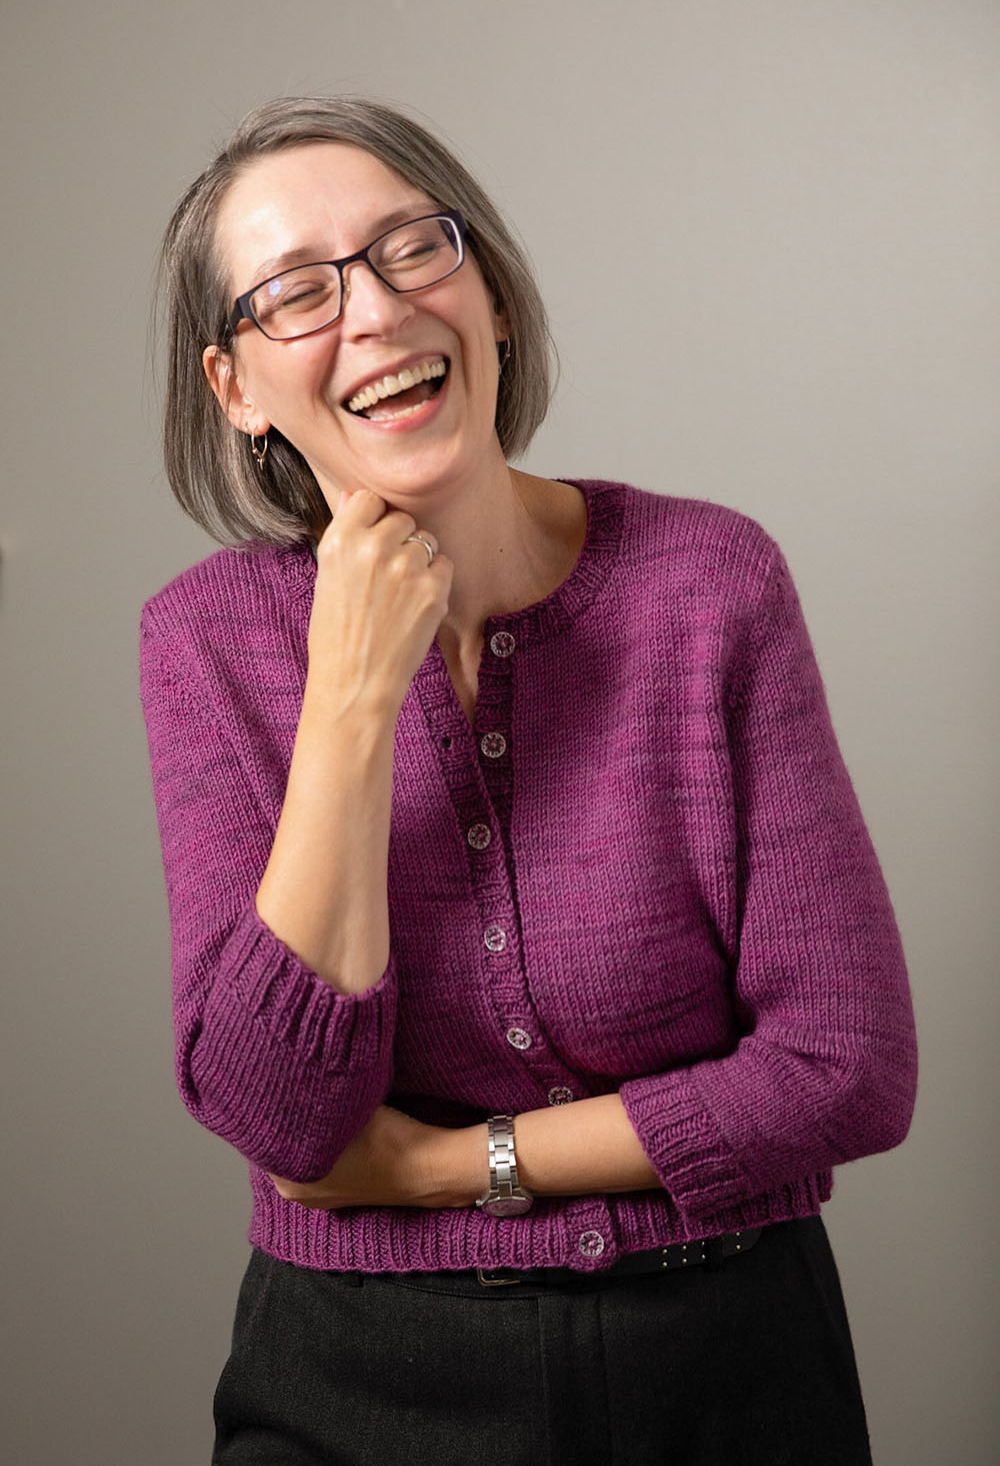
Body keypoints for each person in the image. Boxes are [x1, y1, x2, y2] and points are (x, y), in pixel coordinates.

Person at [140, 95, 918, 1466]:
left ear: (488, 295)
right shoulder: (204, 641)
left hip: (728, 1364)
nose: (374, 315)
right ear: (238, 389)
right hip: (355, 1382)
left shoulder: (710, 583)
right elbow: (281, 1120)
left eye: (408, 251)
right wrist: (350, 702)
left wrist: (447, 1168)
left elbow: (846, 1071)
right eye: (298, 294)